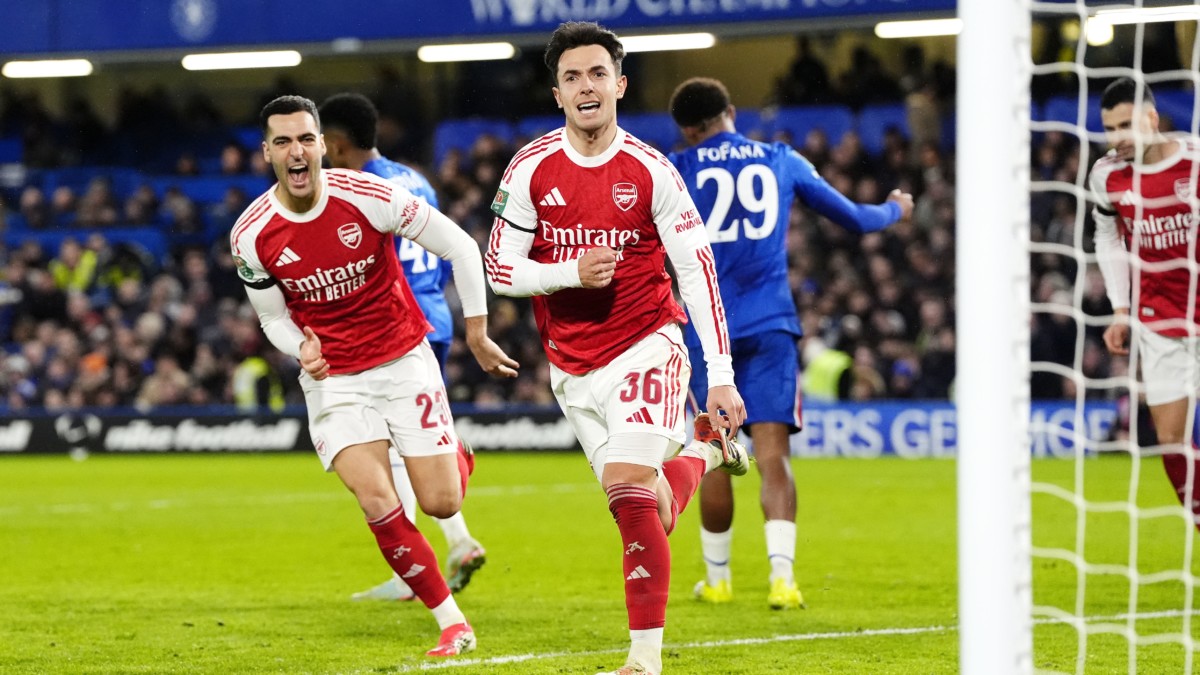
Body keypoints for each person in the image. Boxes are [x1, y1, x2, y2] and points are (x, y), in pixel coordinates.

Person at [486, 22, 749, 675]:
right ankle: (705, 451)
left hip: (647, 343)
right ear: (557, 93)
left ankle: (643, 661)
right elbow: (499, 268)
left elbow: (697, 271)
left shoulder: (652, 171)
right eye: (572, 77)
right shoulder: (530, 168)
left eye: (597, 74)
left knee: (629, 491)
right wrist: (568, 273)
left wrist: (719, 374)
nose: (586, 87)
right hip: (571, 365)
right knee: (649, 506)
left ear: (620, 85)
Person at [231, 95, 518, 657]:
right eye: (283, 141)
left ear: (323, 145)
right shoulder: (251, 234)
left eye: (306, 139)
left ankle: (455, 457)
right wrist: (299, 347)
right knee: (376, 500)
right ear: (267, 152)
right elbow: (271, 318)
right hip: (334, 381)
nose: (296, 151)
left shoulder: (371, 195)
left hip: (403, 360)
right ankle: (452, 623)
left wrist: (478, 333)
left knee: (441, 503)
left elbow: (462, 247)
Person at [666, 77, 913, 610]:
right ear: (732, 112)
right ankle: (783, 579)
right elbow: (855, 219)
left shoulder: (676, 167)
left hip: (708, 333)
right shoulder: (780, 158)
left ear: (687, 130)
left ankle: (718, 581)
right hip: (771, 324)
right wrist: (895, 208)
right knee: (773, 455)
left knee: (713, 450)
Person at [318, 92, 488, 601]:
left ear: (337, 143)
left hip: (395, 326)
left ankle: (432, 558)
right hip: (434, 314)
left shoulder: (359, 189)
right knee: (401, 441)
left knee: (386, 442)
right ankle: (442, 552)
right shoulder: (416, 179)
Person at [1090, 76, 1200, 529]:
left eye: (1126, 125)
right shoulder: (1106, 175)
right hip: (1160, 321)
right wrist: (1120, 308)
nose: (1117, 138)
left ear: (1152, 118)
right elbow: (1107, 236)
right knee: (1171, 440)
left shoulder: (1194, 160)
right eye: (1109, 128)